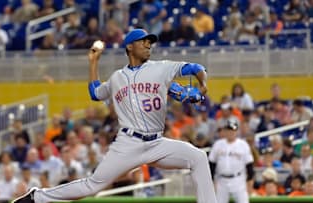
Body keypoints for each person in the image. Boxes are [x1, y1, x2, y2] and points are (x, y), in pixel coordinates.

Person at [13, 28, 217, 203]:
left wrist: (202, 84)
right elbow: (95, 93)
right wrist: (93, 62)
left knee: (198, 157)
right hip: (129, 143)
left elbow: (195, 68)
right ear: (129, 47)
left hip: (157, 143)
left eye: (150, 43)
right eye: (143, 42)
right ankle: (37, 197)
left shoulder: (160, 68)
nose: (148, 45)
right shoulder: (117, 78)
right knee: (92, 186)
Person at [209, 119, 254, 203]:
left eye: (232, 130)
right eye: (228, 130)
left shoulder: (243, 145)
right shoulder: (218, 144)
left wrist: (250, 183)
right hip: (221, 180)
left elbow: (250, 166)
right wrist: (211, 182)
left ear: (236, 131)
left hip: (238, 180)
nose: (230, 133)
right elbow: (212, 164)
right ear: (225, 131)